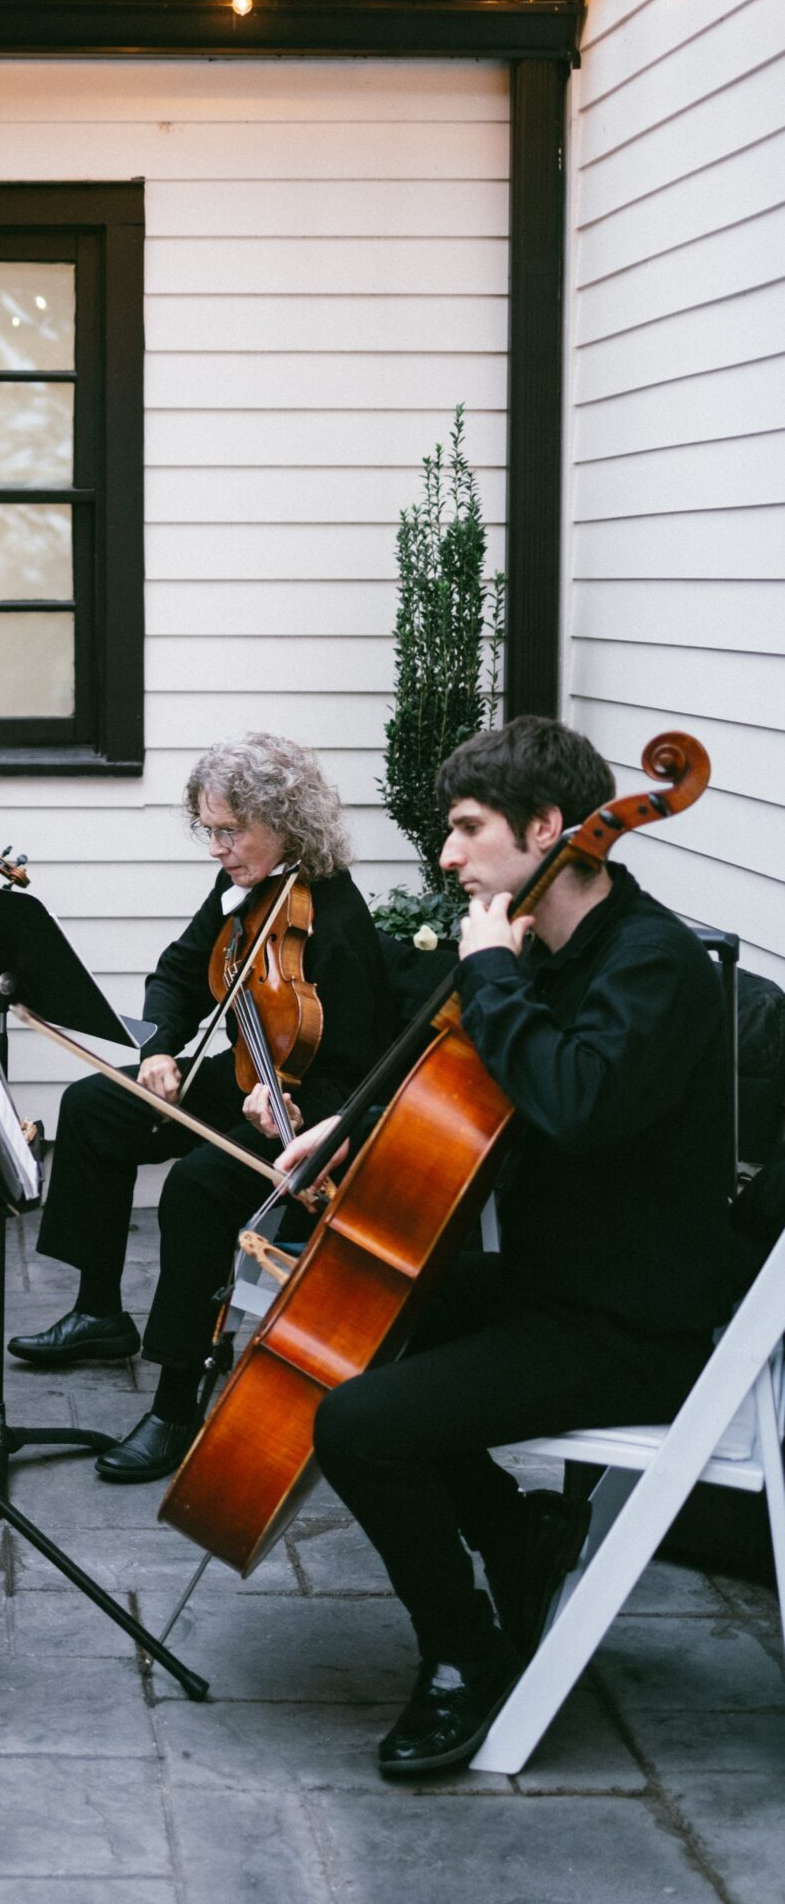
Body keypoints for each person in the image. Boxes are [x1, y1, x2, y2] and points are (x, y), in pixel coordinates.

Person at [276, 715, 735, 1782]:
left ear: (548, 829)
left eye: (468, 828)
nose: (447, 854)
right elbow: (463, 1083)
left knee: (360, 1425)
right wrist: (341, 1127)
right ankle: (516, 1533)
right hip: (550, 1281)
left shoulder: (652, 965)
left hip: (629, 1320)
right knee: (350, 1330)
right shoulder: (549, 946)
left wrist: (489, 974)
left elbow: (570, 1099)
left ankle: (463, 1653)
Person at [9, 733, 396, 1481]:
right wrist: (158, 1049)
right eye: (208, 830)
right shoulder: (248, 889)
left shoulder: (337, 923)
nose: (215, 847)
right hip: (244, 1072)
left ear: (284, 821)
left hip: (303, 1112)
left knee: (194, 1186)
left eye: (228, 830)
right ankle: (99, 1313)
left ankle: (176, 1404)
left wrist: (291, 1109)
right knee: (95, 1102)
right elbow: (181, 971)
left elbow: (359, 1070)